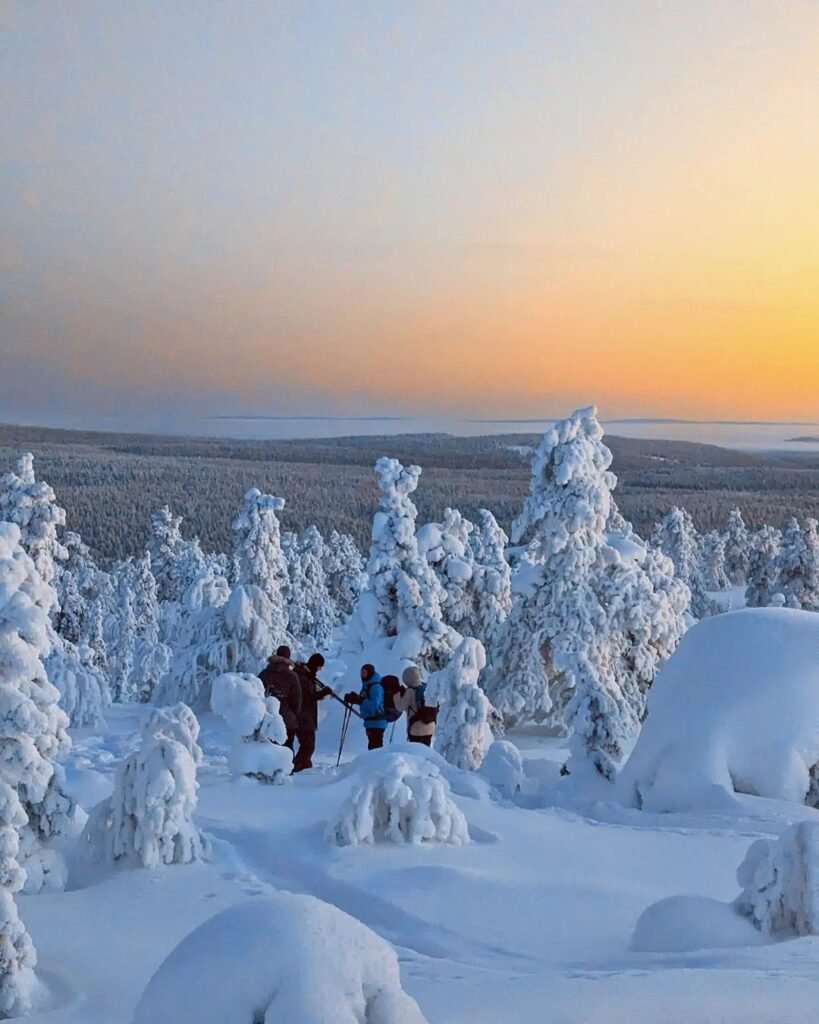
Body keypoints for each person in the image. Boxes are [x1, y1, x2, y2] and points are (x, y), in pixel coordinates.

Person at [292, 652, 331, 772]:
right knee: (308, 745)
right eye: (319, 666)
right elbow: (306, 697)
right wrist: (322, 694)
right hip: (302, 716)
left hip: (307, 716)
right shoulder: (302, 676)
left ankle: (303, 767)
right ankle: (298, 767)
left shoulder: (308, 675)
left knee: (308, 745)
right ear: (314, 664)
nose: (319, 669)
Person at [258, 645, 301, 748]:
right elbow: (297, 699)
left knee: (267, 748)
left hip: (266, 718)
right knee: (287, 749)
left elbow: (256, 691)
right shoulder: (292, 676)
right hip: (287, 718)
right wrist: (294, 715)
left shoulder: (264, 673)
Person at [345, 664, 386, 750]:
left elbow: (374, 704)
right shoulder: (367, 685)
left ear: (370, 673)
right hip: (371, 722)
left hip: (376, 722)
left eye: (364, 673)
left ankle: (376, 763)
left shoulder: (375, 686)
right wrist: (355, 699)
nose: (362, 676)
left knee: (375, 748)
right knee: (373, 747)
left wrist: (359, 700)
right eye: (361, 673)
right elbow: (365, 701)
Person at [394, 665, 435, 746]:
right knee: (426, 752)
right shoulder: (426, 687)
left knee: (416, 754)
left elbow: (399, 707)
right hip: (430, 726)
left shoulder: (410, 691)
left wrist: (397, 695)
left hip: (416, 729)